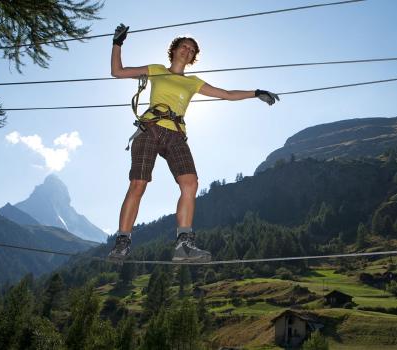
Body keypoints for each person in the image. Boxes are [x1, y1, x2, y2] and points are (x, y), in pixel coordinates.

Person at [108, 24, 279, 262]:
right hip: (150, 129)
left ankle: (184, 245)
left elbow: (226, 94)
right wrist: (117, 43)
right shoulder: (156, 69)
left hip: (176, 134)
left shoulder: (193, 82)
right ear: (174, 50)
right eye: (183, 47)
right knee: (138, 183)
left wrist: (256, 92)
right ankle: (122, 243)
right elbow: (118, 71)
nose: (187, 51)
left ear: (192, 58)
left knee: (191, 183)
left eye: (191, 50)